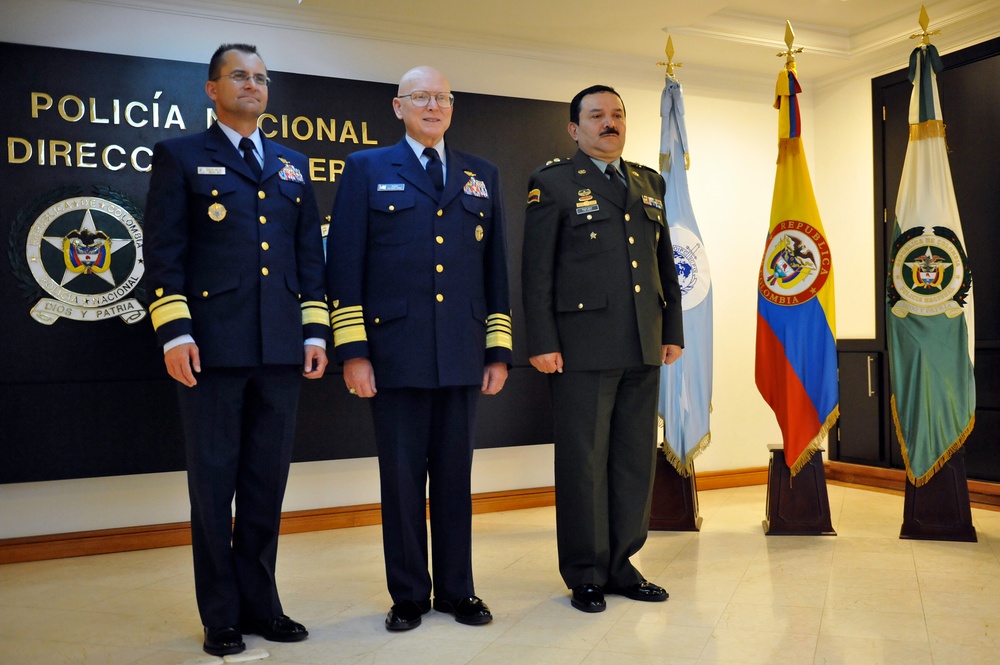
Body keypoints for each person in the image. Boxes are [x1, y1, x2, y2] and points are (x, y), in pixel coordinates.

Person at [143, 43, 329, 656]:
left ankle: (263, 605)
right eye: (240, 76)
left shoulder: (293, 164)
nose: (253, 85)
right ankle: (220, 615)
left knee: (263, 484)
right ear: (211, 89)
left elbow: (308, 258)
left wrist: (313, 332)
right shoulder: (180, 157)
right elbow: (164, 254)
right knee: (213, 485)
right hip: (211, 350)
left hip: (279, 349)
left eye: (261, 78)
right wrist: (174, 330)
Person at [326, 65, 512, 632]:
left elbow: (494, 268)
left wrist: (497, 348)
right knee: (402, 480)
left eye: (443, 98)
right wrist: (353, 351)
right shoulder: (366, 169)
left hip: (461, 352)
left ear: (452, 108)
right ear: (397, 106)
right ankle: (408, 594)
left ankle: (459, 591)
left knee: (455, 478)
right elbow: (345, 265)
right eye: (421, 97)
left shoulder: (482, 174)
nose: (433, 106)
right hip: (395, 353)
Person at [521, 84, 683, 613]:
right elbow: (536, 271)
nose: (609, 123)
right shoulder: (553, 183)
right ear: (575, 128)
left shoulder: (649, 182)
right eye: (596, 116)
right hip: (581, 347)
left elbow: (665, 268)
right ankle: (586, 572)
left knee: (635, 461)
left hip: (642, 342)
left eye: (616, 115)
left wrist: (672, 330)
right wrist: (542, 341)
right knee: (584, 463)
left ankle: (622, 564)